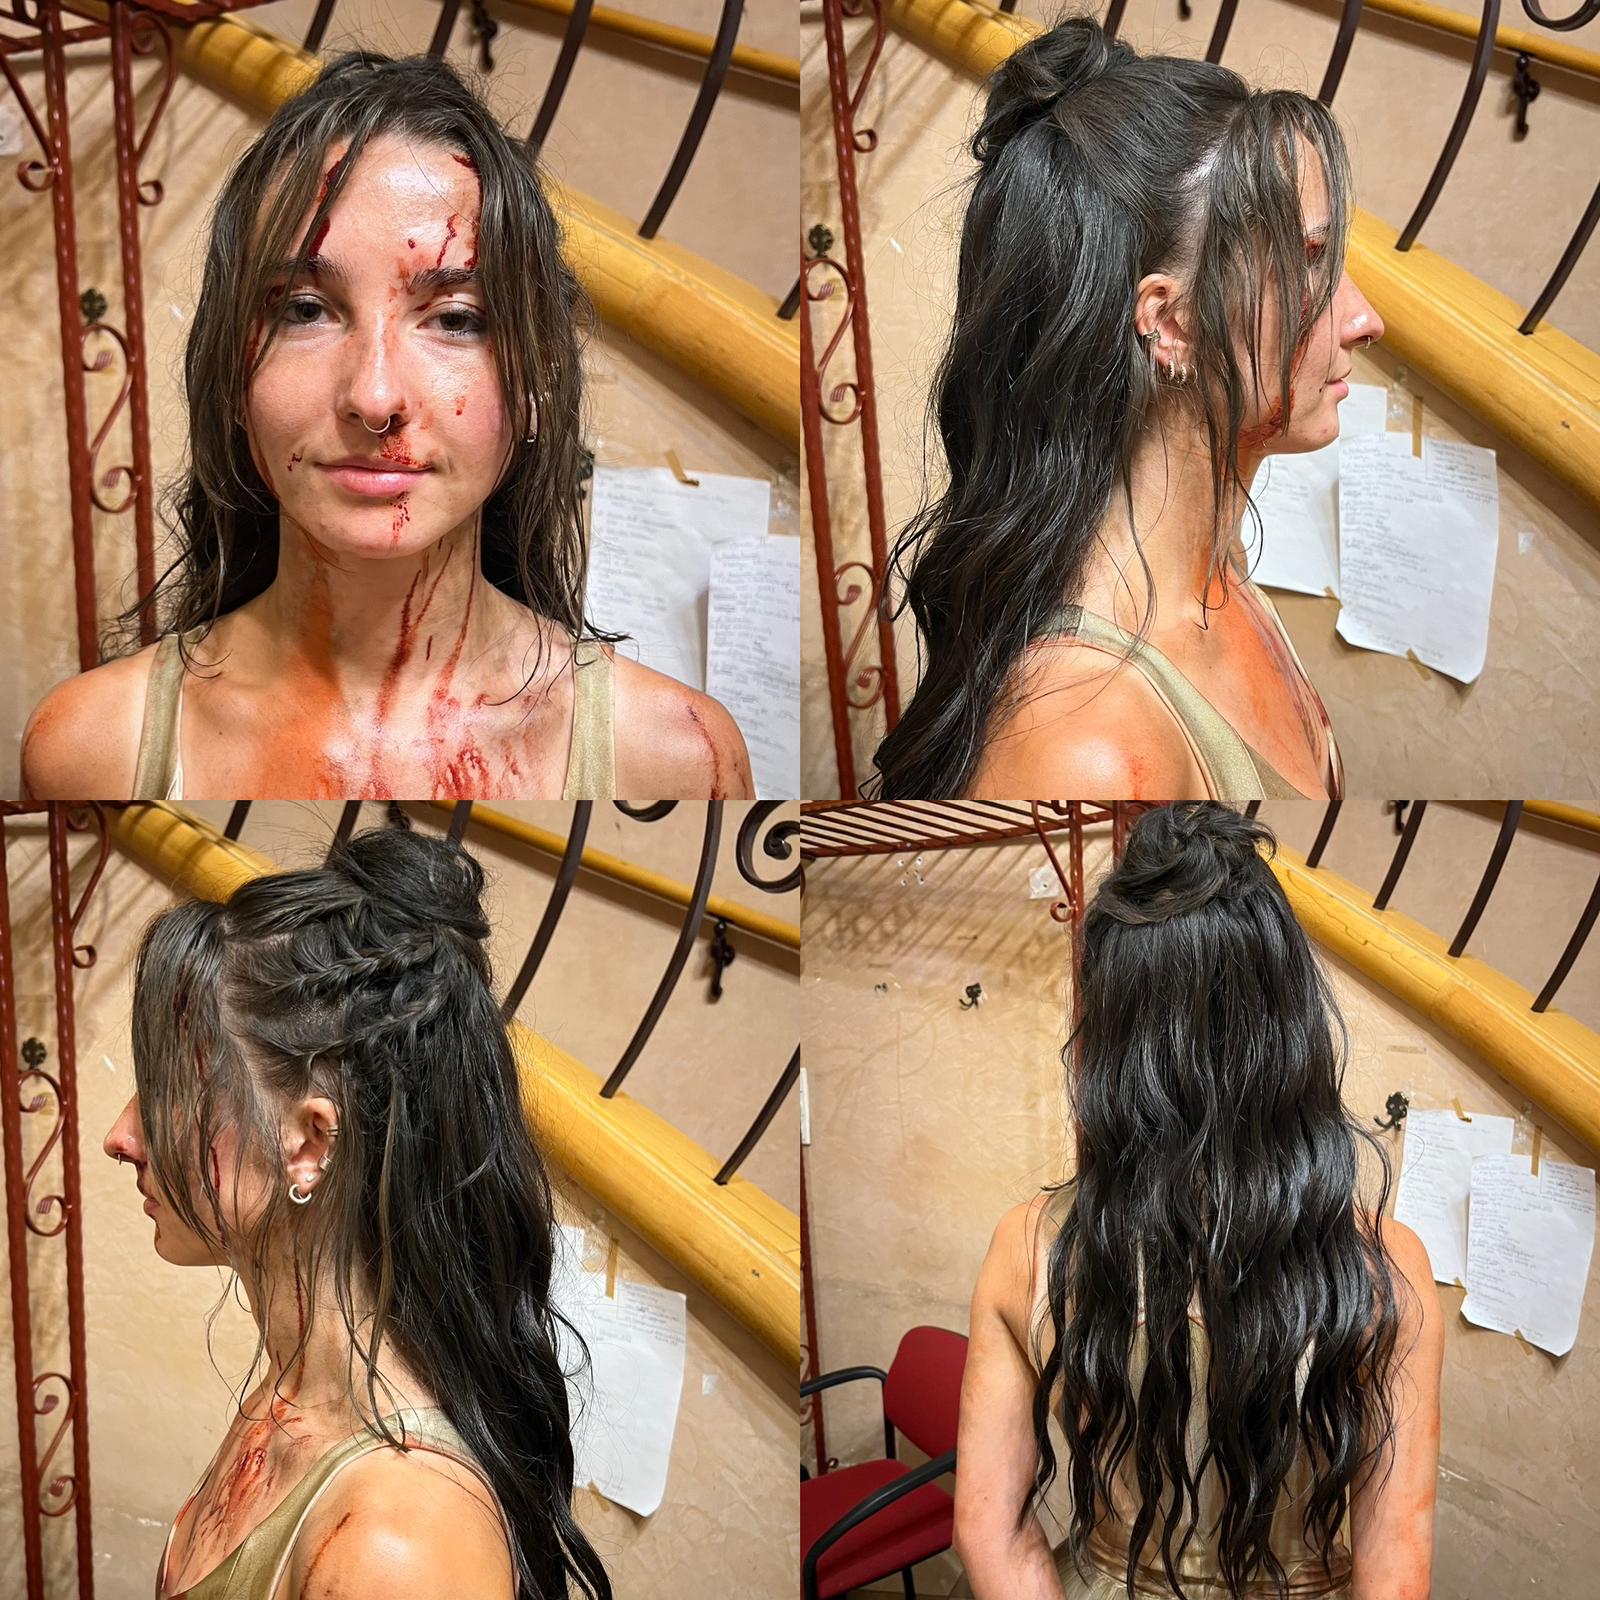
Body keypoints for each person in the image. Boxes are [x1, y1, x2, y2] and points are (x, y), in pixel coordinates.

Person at [23, 52, 752, 802]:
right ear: (231, 375)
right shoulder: (91, 746)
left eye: (456, 320)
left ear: (536, 380)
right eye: (304, 310)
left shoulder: (675, 755)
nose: (374, 398)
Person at [868, 16, 1382, 801]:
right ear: (1170, 323)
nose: (1364, 319)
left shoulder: (1224, 583)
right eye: (1309, 261)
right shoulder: (1085, 745)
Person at [102, 819, 610, 1599]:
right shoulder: (291, 1397)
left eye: (164, 1090)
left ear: (309, 1143)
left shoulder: (394, 1546)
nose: (120, 1136)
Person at [952, 804, 1442, 1598]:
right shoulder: (1388, 1267)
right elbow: (1399, 1559)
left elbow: (988, 1525)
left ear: (1112, 1037)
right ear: (1289, 1029)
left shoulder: (1027, 1245)